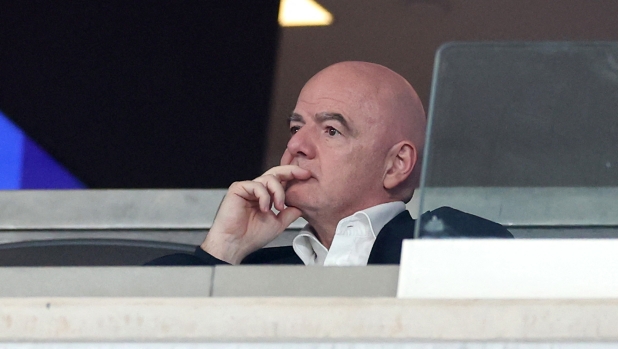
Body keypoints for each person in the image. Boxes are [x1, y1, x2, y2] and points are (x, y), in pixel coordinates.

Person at [148, 61, 512, 266]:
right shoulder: (247, 269)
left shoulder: (449, 245)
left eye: (331, 130)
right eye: (295, 127)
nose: (296, 145)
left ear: (396, 164)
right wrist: (224, 248)